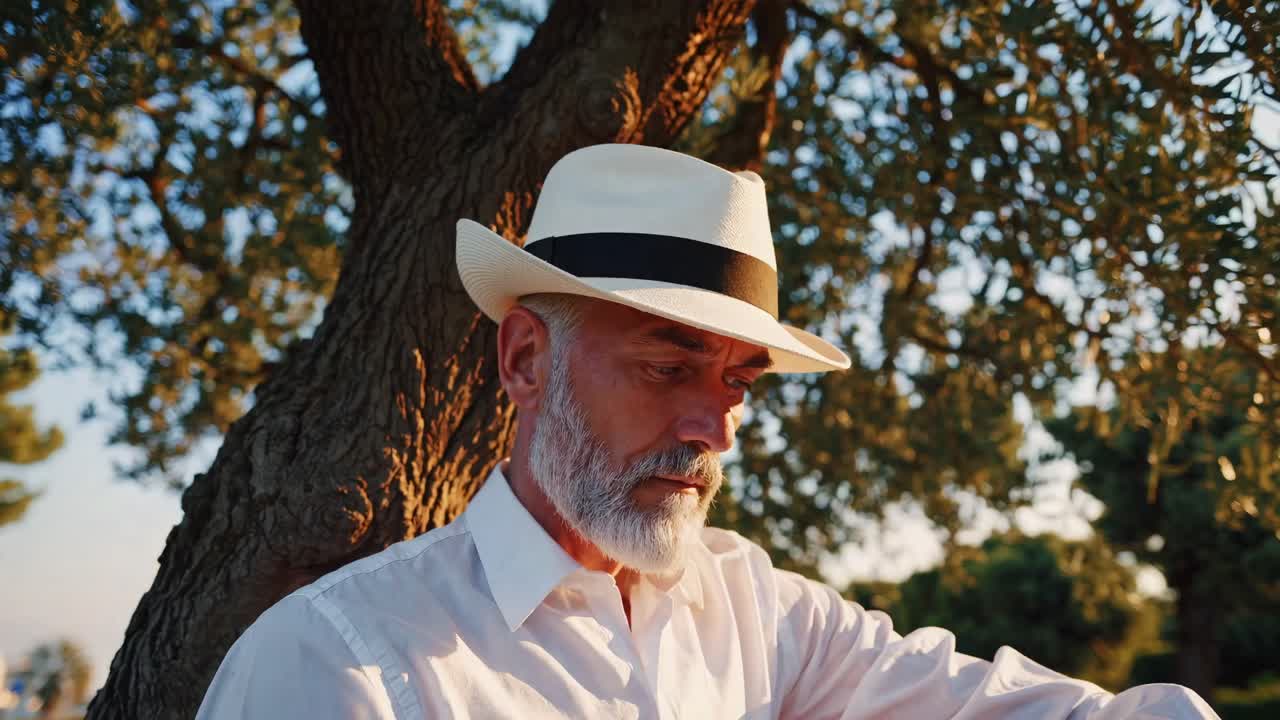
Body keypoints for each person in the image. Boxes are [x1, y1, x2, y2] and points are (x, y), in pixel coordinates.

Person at [197, 144, 1217, 718]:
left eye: (738, 382)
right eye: (669, 365)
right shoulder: (339, 665)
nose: (713, 429)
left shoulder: (755, 612)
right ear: (524, 361)